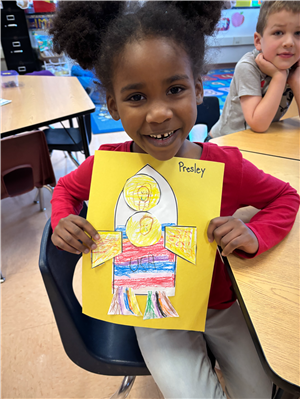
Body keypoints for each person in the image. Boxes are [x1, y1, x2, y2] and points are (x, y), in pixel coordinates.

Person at [49, 1, 300, 398]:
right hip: (152, 310)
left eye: (176, 89)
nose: (159, 113)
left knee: (258, 393)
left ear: (199, 88)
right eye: (136, 97)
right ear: (112, 105)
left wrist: (253, 233)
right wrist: (63, 217)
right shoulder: (107, 165)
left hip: (219, 304)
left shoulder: (224, 167)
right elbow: (64, 190)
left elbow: (286, 198)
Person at [207, 0, 300, 139]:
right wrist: (279, 77)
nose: (289, 42)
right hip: (225, 142)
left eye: (298, 33)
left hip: (259, 142)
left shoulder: (294, 67)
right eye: (278, 32)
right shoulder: (248, 67)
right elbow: (258, 124)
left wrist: (296, 81)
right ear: (258, 41)